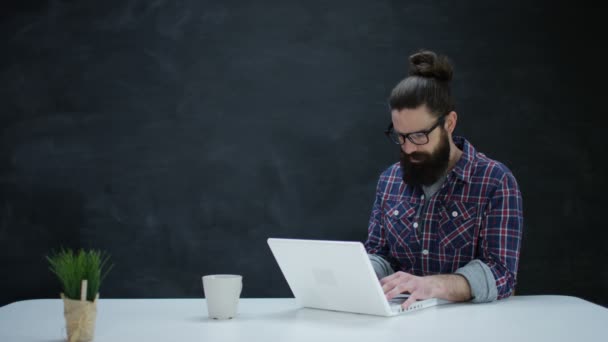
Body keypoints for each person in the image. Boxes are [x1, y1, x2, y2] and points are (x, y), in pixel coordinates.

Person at [365, 49, 523, 310]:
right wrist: (359, 274)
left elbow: (502, 274)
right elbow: (381, 255)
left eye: (418, 136)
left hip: (474, 326)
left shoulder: (495, 181)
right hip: (400, 322)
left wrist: (433, 285)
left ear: (449, 123)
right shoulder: (389, 180)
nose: (408, 148)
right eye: (400, 136)